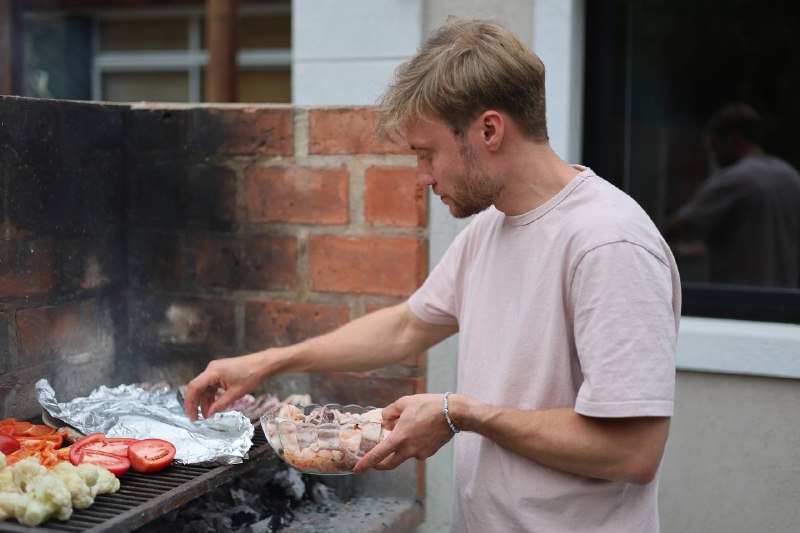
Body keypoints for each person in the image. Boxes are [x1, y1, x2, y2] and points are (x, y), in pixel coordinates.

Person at [184, 19, 681, 533]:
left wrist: (461, 414)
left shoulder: (609, 243)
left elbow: (632, 451)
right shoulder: (492, 227)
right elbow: (407, 326)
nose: (422, 176)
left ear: (489, 130)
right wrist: (267, 362)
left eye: (427, 153)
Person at [665, 103, 800, 287]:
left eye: (715, 147)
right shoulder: (791, 177)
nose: (715, 156)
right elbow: (761, 239)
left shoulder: (733, 179)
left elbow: (677, 227)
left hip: (740, 303)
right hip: (787, 303)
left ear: (733, 138)